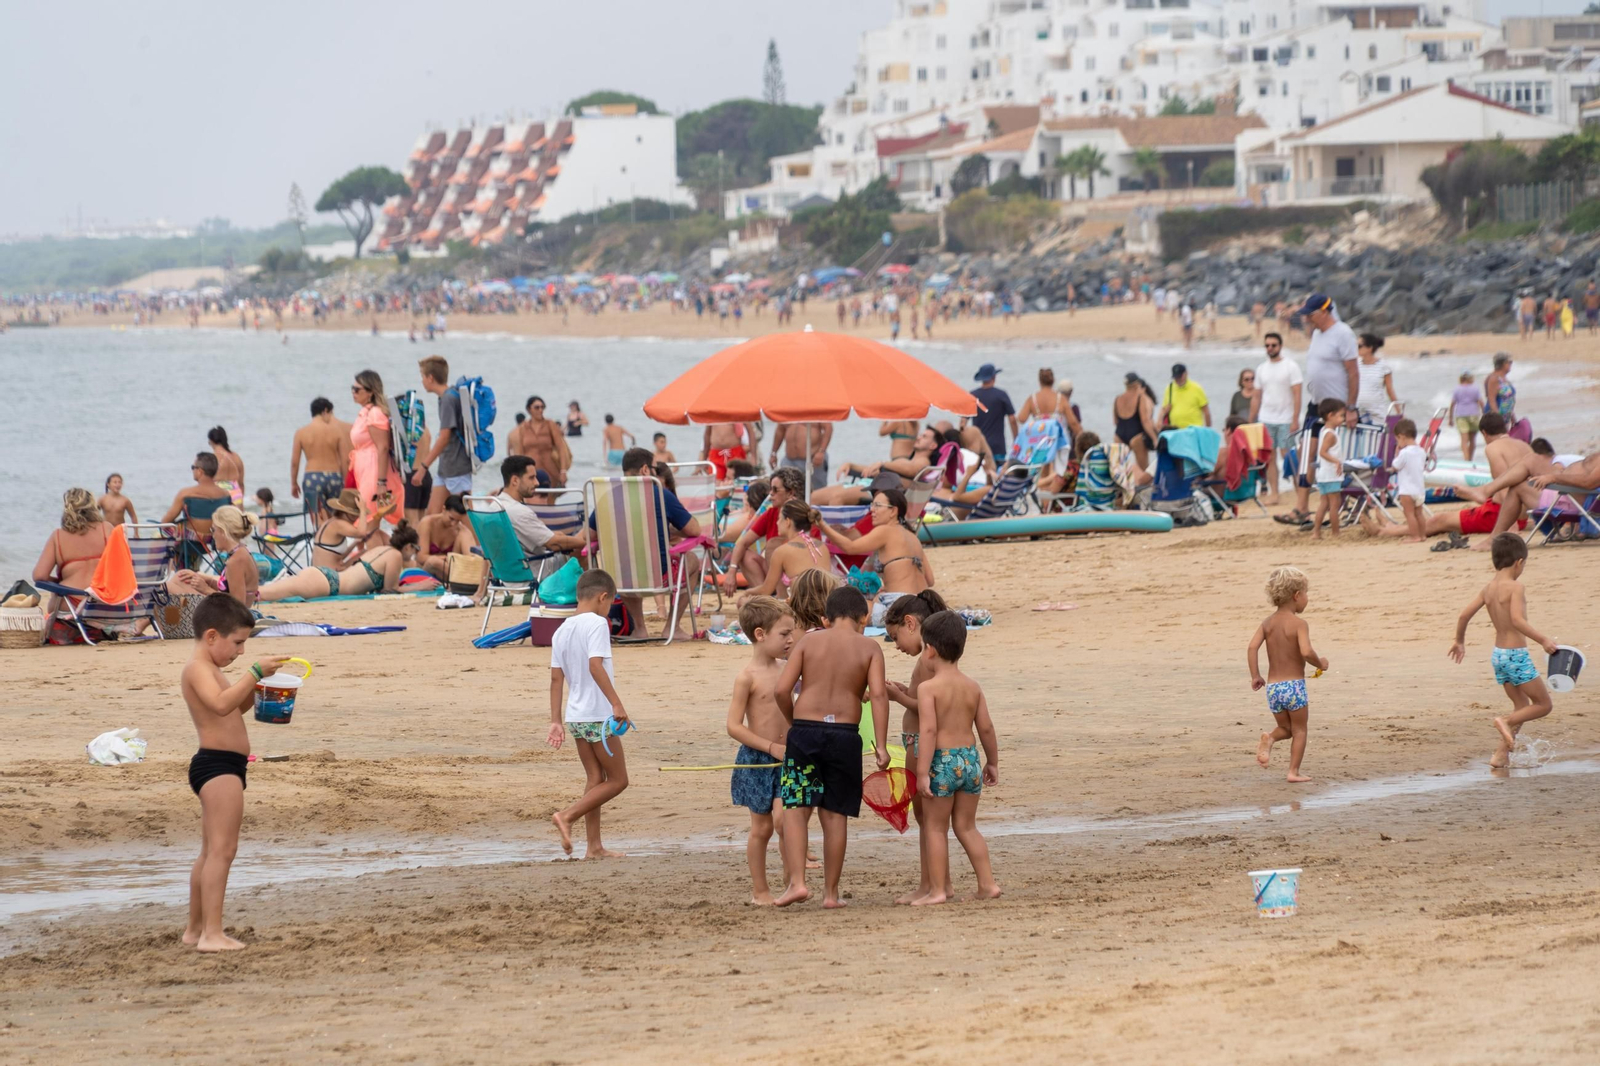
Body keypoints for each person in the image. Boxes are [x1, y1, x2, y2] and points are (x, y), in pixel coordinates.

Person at [180, 594, 291, 952]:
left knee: (210, 851)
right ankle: (212, 934)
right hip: (217, 766)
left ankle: (195, 930)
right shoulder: (197, 669)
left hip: (223, 766)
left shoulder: (211, 670)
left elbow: (235, 707)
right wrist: (254, 672)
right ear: (212, 636)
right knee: (223, 852)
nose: (241, 652)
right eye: (238, 643)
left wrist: (262, 687)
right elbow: (221, 704)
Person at [773, 586, 889, 908]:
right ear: (863, 616)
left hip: (805, 732)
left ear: (827, 618)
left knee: (796, 808)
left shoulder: (809, 641)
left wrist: (794, 721)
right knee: (835, 815)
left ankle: (797, 882)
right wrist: (880, 744)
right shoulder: (870, 648)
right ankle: (830, 895)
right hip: (844, 734)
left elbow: (782, 690)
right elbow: (878, 696)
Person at [912, 610, 1001, 905]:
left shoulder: (928, 689)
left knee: (936, 828)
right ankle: (987, 884)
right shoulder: (972, 686)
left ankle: (938, 890)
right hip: (969, 760)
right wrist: (992, 762)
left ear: (930, 650)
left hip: (942, 762)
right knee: (966, 826)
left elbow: (927, 731)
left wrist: (923, 772)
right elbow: (985, 727)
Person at [1449, 533, 1560, 769]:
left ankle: (1501, 755)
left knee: (1522, 707)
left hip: (1498, 656)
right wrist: (1543, 640)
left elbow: (1464, 615)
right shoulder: (1515, 587)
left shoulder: (1488, 588)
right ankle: (1503, 721)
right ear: (1519, 562)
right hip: (1516, 656)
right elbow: (1517, 621)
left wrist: (1459, 641)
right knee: (1543, 704)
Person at [547, 568, 630, 859]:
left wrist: (556, 720)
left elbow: (556, 680)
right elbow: (596, 666)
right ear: (603, 597)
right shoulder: (597, 623)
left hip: (575, 717)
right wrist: (617, 704)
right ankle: (567, 816)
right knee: (619, 780)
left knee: (595, 777)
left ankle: (594, 847)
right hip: (597, 714)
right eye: (610, 603)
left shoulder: (561, 630)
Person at [724, 596, 798, 904]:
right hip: (759, 759)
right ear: (760, 634)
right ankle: (760, 891)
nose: (791, 639)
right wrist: (770, 746)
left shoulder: (791, 668)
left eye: (792, 632)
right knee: (762, 828)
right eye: (784, 634)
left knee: (785, 820)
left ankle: (792, 877)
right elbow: (734, 726)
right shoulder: (747, 677)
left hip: (789, 757)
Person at [881, 589, 949, 904]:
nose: (896, 646)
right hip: (917, 740)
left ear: (910, 623)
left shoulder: (927, 657)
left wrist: (897, 697)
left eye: (895, 637)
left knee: (927, 821)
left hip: (921, 742)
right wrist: (903, 690)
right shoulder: (931, 657)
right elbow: (919, 694)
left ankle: (932, 884)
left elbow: (926, 706)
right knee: (926, 821)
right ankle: (934, 882)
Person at [1284, 294, 1359, 526]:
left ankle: (1341, 506)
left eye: (1310, 314)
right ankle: (1302, 508)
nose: (1306, 318)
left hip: (1336, 407)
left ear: (1324, 312)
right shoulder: (1316, 334)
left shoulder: (1343, 333)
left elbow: (1353, 372)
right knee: (1305, 452)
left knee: (1333, 454)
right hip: (1315, 405)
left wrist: (1351, 407)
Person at [1247, 566, 1325, 783]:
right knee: (1300, 730)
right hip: (1294, 687)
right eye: (1306, 594)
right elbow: (1307, 652)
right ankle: (1293, 772)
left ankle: (1270, 739)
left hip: (1273, 689)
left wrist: (1256, 675)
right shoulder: (1299, 624)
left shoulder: (1267, 623)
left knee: (1286, 728)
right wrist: (1322, 663)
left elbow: (1252, 647)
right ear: (1297, 596)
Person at [815, 488, 935, 626]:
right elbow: (930, 581)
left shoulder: (885, 531)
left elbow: (850, 547)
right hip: (923, 607)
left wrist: (822, 525)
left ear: (893, 511)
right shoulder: (913, 537)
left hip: (900, 608)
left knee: (847, 606)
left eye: (878, 505)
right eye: (872, 505)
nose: (872, 510)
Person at [258, 523, 421, 600]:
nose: (415, 554)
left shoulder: (381, 550)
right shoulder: (394, 555)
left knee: (264, 592)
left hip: (326, 578)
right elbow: (389, 591)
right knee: (262, 594)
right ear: (408, 547)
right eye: (416, 549)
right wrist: (420, 587)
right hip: (329, 583)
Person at [722, 467, 804, 592]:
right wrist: (732, 570)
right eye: (770, 489)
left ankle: (774, 598)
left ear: (791, 493)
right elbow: (742, 543)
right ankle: (764, 598)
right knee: (745, 554)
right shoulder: (771, 513)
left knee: (773, 545)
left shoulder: (804, 516)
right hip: (774, 574)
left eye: (775, 490)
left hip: (798, 575)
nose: (771, 494)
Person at [739, 501, 840, 601]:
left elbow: (766, 590)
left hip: (800, 611)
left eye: (779, 519)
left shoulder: (782, 551)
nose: (777, 523)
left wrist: (747, 592)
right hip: (824, 608)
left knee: (742, 602)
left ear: (787, 521)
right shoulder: (822, 547)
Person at [494, 456, 589, 559]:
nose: (536, 483)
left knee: (565, 537)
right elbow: (554, 544)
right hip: (537, 568)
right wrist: (586, 542)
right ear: (515, 480)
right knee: (581, 549)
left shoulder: (494, 507)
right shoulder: (519, 512)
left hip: (507, 570)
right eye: (531, 478)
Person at [411, 356, 474, 510]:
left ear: (430, 378)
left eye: (422, 377)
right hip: (446, 468)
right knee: (432, 517)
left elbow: (445, 437)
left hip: (456, 468)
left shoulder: (448, 399)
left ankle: (479, 535)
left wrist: (423, 467)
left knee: (466, 518)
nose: (422, 381)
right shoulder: (449, 395)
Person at [1250, 333, 1302, 506]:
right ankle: (1274, 493)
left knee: (1288, 455)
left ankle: (1299, 491)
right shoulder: (1261, 369)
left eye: (1273, 345)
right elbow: (1256, 396)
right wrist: (1252, 420)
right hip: (1266, 418)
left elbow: (1297, 394)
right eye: (1267, 345)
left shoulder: (1291, 366)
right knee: (1269, 457)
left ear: (1280, 346)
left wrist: (1295, 419)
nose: (1270, 348)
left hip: (1286, 419)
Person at [349, 370, 403, 526]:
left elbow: (383, 447)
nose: (353, 392)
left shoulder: (375, 413)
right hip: (366, 472)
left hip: (374, 474)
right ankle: (383, 550)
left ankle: (385, 550)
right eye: (352, 388)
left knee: (368, 522)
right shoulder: (365, 413)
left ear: (370, 392)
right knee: (368, 522)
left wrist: (381, 483)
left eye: (357, 389)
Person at [290, 397, 350, 522]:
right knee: (337, 517)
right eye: (331, 414)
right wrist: (346, 483)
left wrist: (294, 483)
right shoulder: (337, 432)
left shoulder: (301, 433)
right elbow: (345, 460)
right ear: (325, 411)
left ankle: (320, 539)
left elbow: (295, 462)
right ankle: (335, 540)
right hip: (334, 477)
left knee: (316, 517)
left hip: (312, 477)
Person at [509, 396, 572, 488]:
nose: (540, 410)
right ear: (529, 409)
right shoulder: (523, 428)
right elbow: (519, 454)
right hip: (531, 472)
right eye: (537, 407)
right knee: (532, 499)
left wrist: (563, 471)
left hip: (550, 470)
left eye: (542, 407)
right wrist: (519, 474)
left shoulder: (550, 425)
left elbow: (561, 448)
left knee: (549, 498)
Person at [1308, 399, 1349, 539]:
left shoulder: (1324, 431)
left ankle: (1316, 532)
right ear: (1330, 415)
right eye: (1341, 416)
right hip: (1331, 474)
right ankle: (1336, 533)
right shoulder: (1331, 434)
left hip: (1324, 474)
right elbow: (1323, 452)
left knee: (1324, 503)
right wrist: (1337, 461)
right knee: (1334, 504)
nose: (1343, 419)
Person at [416, 494, 478, 579]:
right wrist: (446, 558)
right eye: (451, 518)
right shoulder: (427, 523)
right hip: (426, 572)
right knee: (433, 562)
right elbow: (421, 557)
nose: (453, 524)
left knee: (465, 534)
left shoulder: (462, 531)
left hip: (449, 574)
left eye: (458, 521)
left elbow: (473, 561)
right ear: (444, 509)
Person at [1388, 419, 1427, 542]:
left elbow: (1396, 466)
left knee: (1409, 514)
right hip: (1419, 490)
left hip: (1407, 491)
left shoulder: (1404, 453)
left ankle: (1414, 536)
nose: (1398, 443)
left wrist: (1396, 454)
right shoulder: (1422, 451)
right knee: (1419, 514)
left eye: (1397, 440)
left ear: (1401, 437)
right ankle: (1422, 535)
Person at [1112, 373, 1160, 471]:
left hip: (1119, 436)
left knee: (1121, 471)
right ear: (1137, 384)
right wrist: (1155, 438)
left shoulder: (1117, 399)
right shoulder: (1140, 398)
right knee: (1144, 469)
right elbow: (1145, 420)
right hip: (1136, 436)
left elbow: (1115, 421)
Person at [969, 363, 1016, 461]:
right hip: (997, 446)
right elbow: (1012, 420)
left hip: (978, 446)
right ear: (994, 377)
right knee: (997, 474)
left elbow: (962, 422)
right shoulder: (1001, 395)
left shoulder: (973, 396)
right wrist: (1016, 440)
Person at [769, 422, 834, 493]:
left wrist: (821, 451)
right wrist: (774, 453)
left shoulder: (816, 411)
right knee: (786, 490)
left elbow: (828, 428)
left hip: (812, 460)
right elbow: (780, 430)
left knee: (817, 491)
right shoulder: (786, 411)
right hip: (789, 460)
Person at [1354, 333, 1396, 422]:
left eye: (1359, 346)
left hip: (1377, 413)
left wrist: (1399, 412)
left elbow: (1390, 390)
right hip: (1357, 413)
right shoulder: (1355, 364)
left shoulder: (1384, 366)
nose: (1356, 348)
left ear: (1370, 348)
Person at [1158, 363, 1210, 430]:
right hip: (1175, 431)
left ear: (1186, 374)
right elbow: (1163, 409)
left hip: (1194, 431)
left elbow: (1206, 411)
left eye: (1180, 377)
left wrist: (1207, 430)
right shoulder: (1169, 389)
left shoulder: (1196, 388)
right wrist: (1160, 420)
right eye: (1176, 377)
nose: (1178, 380)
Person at [1450, 371, 1483, 463]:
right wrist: (1485, 414)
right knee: (1472, 439)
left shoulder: (1457, 389)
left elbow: (1453, 404)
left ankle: (1466, 460)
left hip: (1461, 415)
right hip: (1474, 414)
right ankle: (1470, 459)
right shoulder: (1475, 389)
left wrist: (1450, 419)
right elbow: (1481, 402)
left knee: (1464, 440)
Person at [208, 426, 245, 506]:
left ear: (211, 441)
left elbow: (205, 482)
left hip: (219, 494)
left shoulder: (211, 458)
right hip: (236, 493)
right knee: (235, 517)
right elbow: (241, 484)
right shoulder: (236, 457)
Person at [1484, 353, 1516, 424]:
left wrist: (1512, 417)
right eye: (1509, 362)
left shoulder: (1504, 378)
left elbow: (1509, 398)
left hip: (1505, 418)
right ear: (1503, 363)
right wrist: (1498, 419)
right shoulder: (1494, 378)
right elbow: (1491, 400)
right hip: (1495, 419)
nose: (1511, 364)